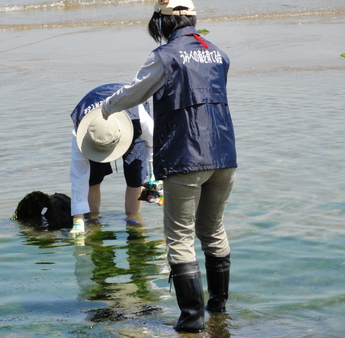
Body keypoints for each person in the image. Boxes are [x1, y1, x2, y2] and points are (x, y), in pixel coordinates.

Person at [101, 0, 237, 333]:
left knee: (178, 239)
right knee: (213, 232)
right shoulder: (218, 54)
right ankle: (218, 310)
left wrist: (106, 107)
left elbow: (135, 92)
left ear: (162, 24)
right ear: (191, 18)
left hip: (186, 158)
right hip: (224, 156)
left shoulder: (164, 56)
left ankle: (191, 321)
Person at [69, 83, 153, 235]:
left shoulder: (140, 117)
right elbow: (78, 177)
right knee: (92, 179)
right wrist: (78, 219)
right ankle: (92, 220)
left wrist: (155, 176)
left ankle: (133, 220)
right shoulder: (82, 131)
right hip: (95, 127)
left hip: (131, 121)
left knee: (136, 176)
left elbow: (154, 143)